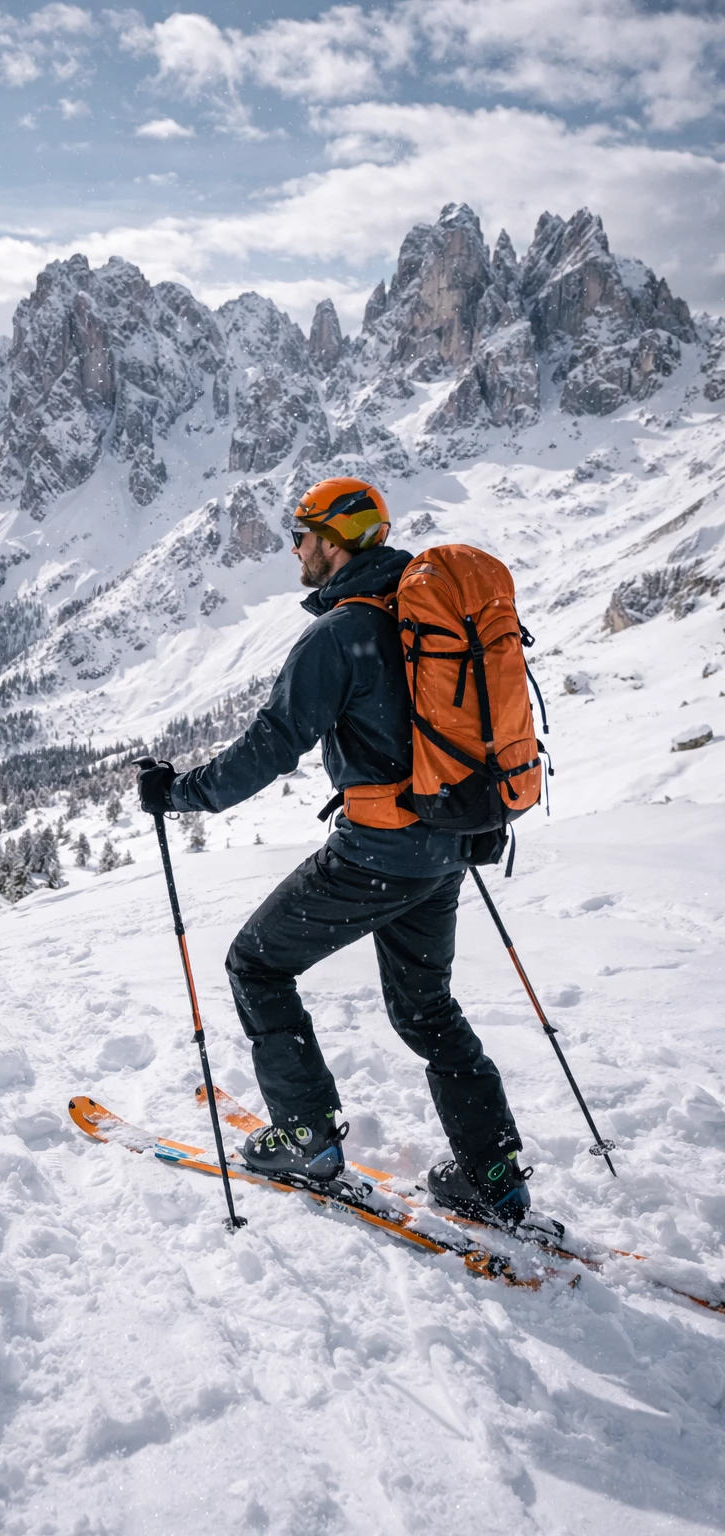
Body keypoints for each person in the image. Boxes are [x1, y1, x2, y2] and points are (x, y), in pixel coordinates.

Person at [136, 477, 530, 1228]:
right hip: (450, 846)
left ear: (337, 539)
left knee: (256, 963)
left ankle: (308, 1138)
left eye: (302, 534)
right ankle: (493, 1175)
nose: (292, 548)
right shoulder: (429, 615)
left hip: (378, 853)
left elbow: (267, 749)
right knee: (428, 1009)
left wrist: (175, 792)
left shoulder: (342, 632)